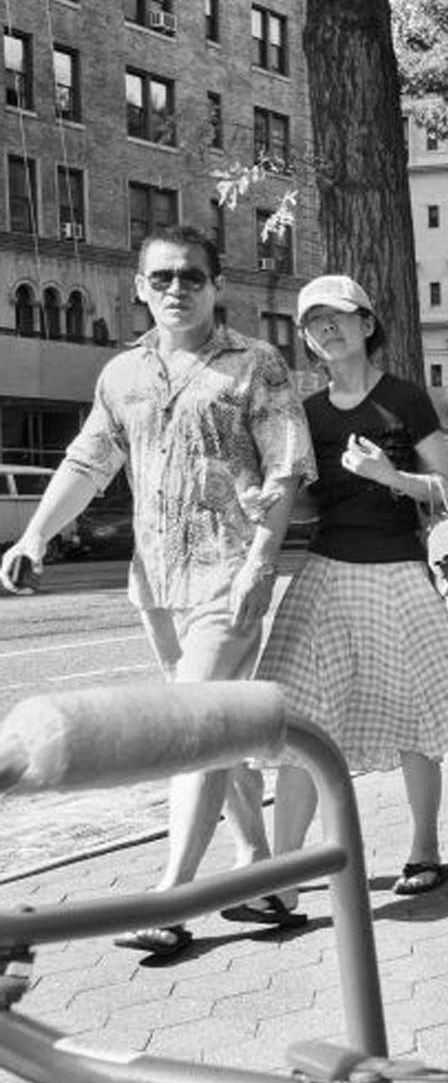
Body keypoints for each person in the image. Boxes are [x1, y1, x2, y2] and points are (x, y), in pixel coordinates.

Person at [0, 227, 313, 960]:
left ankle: (170, 899)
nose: (178, 288)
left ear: (216, 285)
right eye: (163, 277)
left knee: (190, 731)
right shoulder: (121, 374)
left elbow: (286, 470)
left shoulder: (255, 364)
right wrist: (34, 536)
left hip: (228, 573)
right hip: (157, 583)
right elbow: (88, 462)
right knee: (213, 730)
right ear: (140, 286)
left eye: (192, 276)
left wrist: (261, 561)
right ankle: (261, 874)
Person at [257, 274, 448, 900]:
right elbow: (309, 505)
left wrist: (387, 474)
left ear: (367, 324)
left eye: (338, 317)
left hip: (397, 574)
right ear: (307, 339)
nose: (326, 329)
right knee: (300, 721)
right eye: (314, 322)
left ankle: (425, 850)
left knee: (414, 718)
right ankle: (282, 880)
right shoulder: (308, 414)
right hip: (324, 574)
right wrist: (270, 503)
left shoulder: (404, 399)